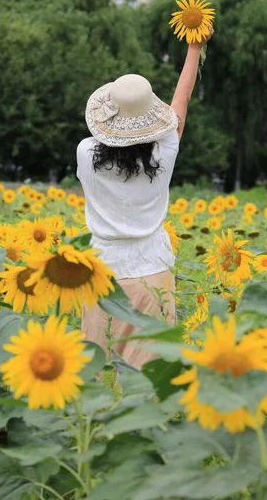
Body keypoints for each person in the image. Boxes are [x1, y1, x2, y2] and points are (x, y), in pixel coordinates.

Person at [76, 29, 213, 368]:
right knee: (149, 376)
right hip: (152, 270)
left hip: (100, 272)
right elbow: (180, 105)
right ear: (151, 117)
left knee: (98, 373)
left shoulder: (85, 152)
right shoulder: (165, 151)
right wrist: (194, 47)